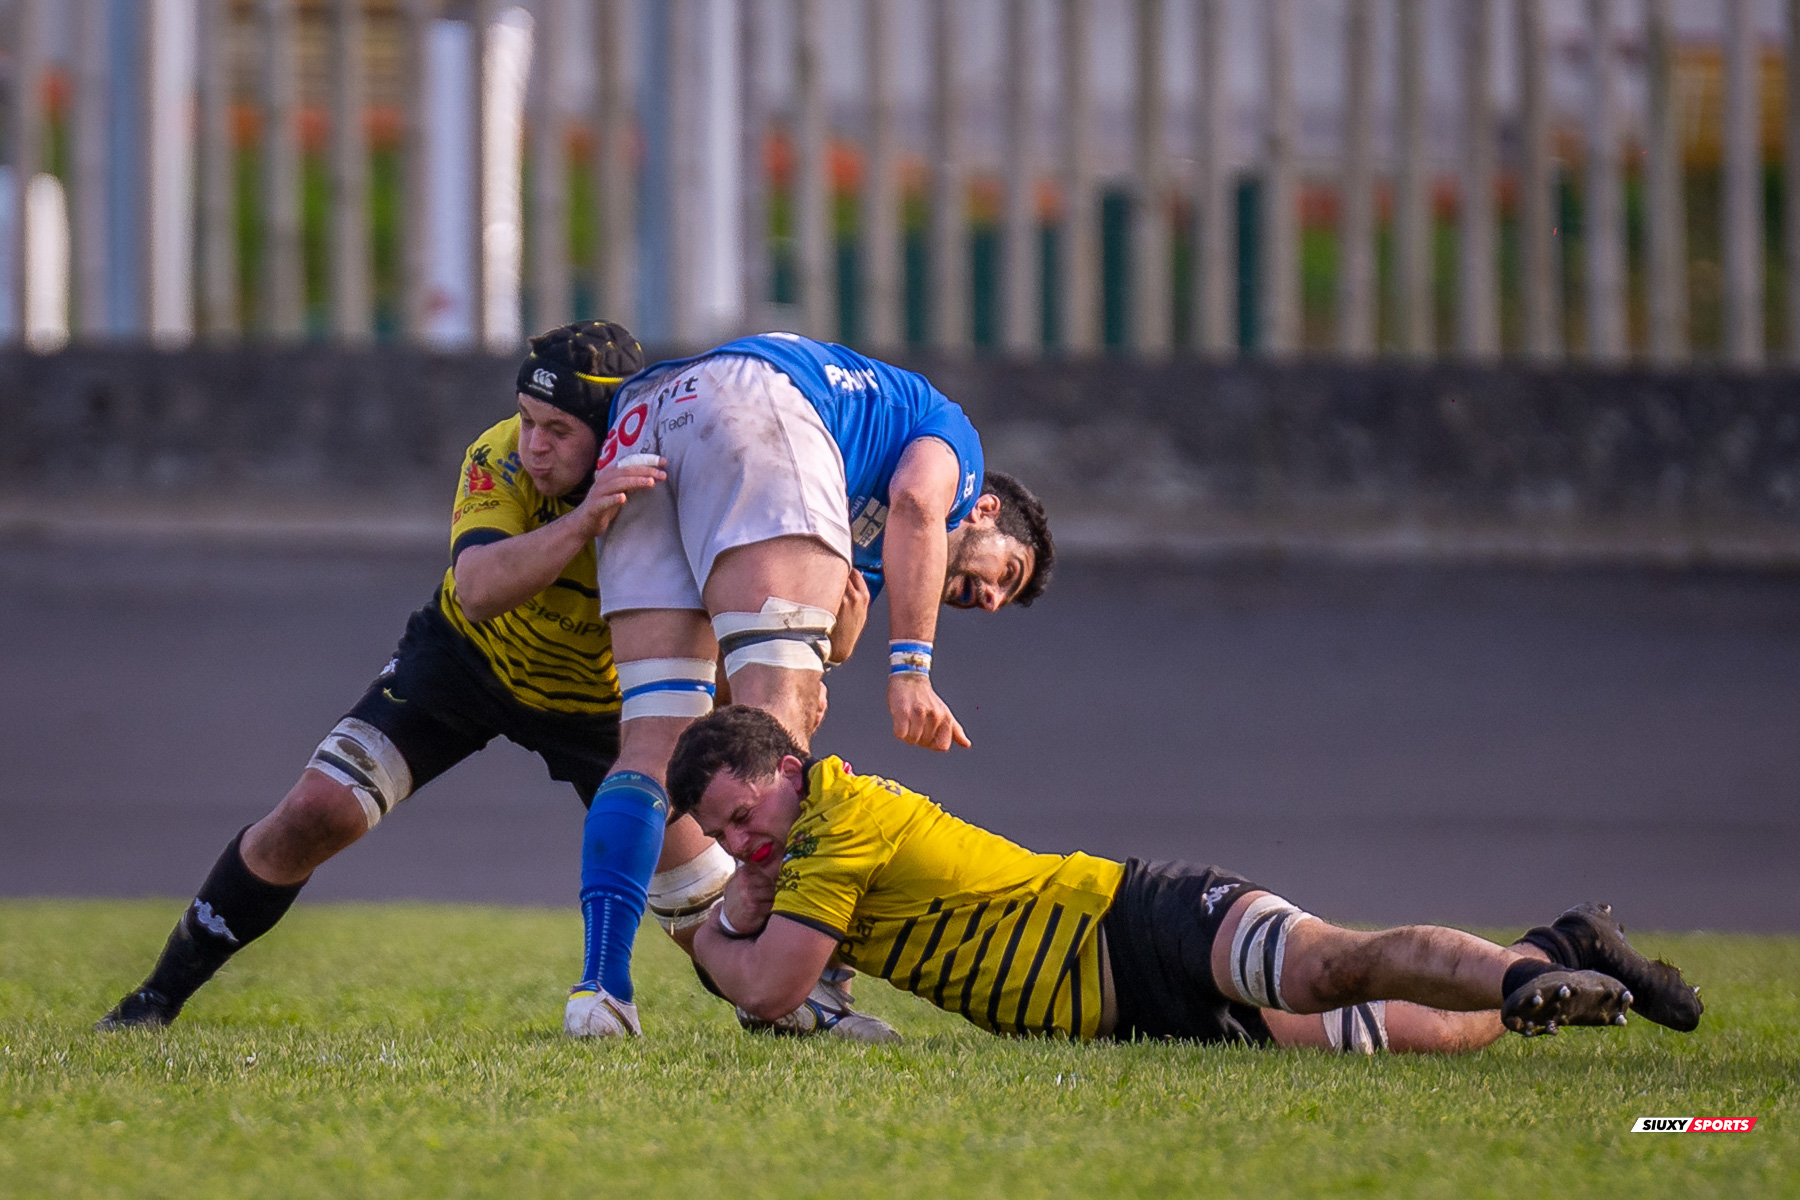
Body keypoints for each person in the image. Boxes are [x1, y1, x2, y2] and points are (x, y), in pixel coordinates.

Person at [96, 322, 660, 1031]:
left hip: (599, 706)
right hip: (467, 660)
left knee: (694, 899)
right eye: (527, 418)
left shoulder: (665, 498)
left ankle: (786, 1008)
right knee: (314, 813)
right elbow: (480, 587)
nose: (533, 444)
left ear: (612, 435)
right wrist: (584, 522)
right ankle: (155, 998)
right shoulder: (499, 456)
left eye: (558, 429)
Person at [666, 706, 1706, 1052]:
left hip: (1137, 923)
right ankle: (1562, 951)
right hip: (1135, 1013)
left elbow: (769, 991)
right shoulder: (801, 853)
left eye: (744, 819)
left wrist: (718, 929)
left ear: (792, 773)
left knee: (1330, 970)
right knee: (1416, 1033)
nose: (742, 844)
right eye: (722, 832)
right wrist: (744, 912)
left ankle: (1530, 972)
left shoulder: (844, 822)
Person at [564, 333, 1057, 1039]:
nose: (987, 599)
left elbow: (750, 686)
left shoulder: (862, 538)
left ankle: (601, 994)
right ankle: (799, 982)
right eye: (1005, 574)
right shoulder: (958, 454)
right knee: (778, 744)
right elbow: (920, 501)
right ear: (981, 510)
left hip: (652, 414)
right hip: (757, 403)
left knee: (657, 739)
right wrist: (911, 670)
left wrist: (825, 661)